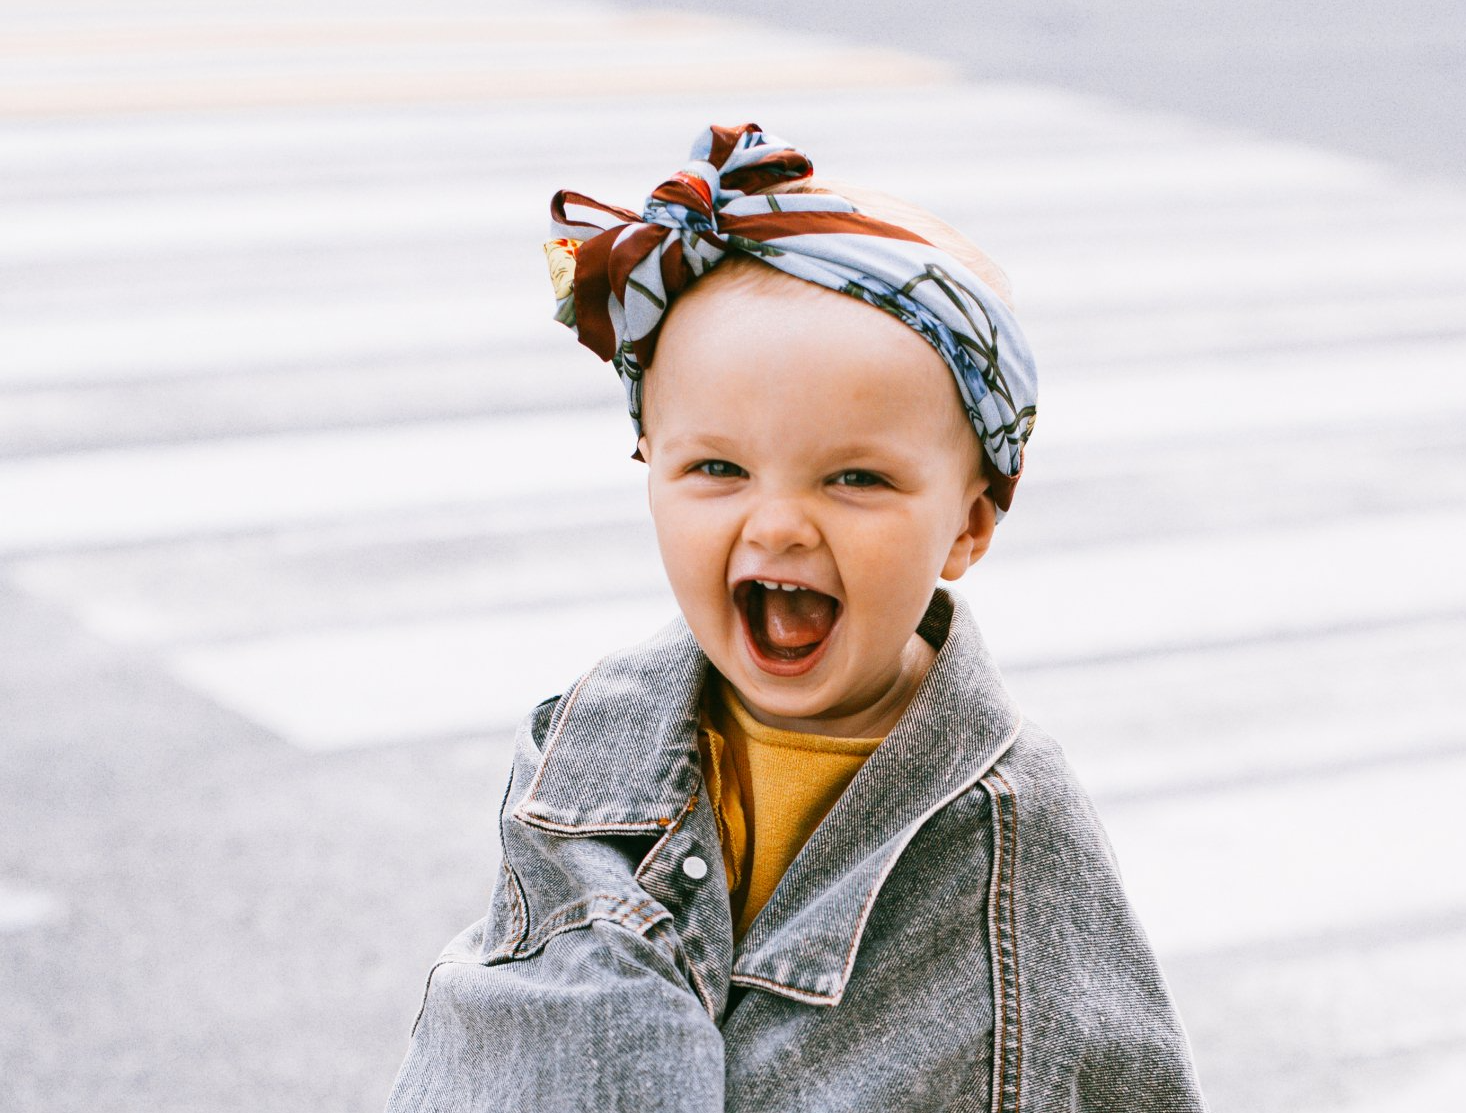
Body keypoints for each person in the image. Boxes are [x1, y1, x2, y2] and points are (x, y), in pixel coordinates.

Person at [386, 123, 1208, 1112]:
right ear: (650, 466)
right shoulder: (583, 747)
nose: (777, 524)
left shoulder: (1015, 835)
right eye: (718, 468)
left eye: (855, 478)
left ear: (967, 527)